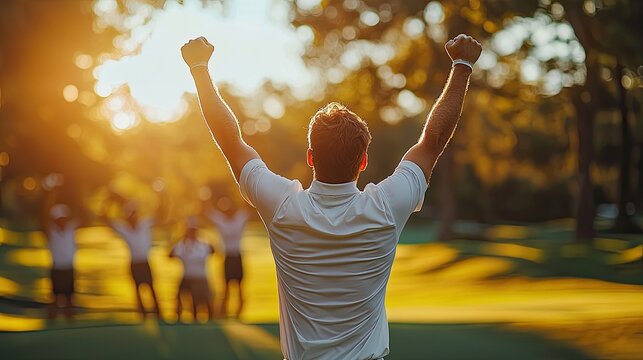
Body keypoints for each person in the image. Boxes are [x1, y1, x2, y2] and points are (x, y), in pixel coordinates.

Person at [181, 33, 481, 359]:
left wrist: (199, 67)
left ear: (311, 157)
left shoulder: (283, 205)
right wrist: (461, 65)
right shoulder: (385, 206)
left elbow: (230, 141)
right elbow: (433, 140)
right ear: (363, 161)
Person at [102, 192, 164, 318]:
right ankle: (142, 314)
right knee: (137, 289)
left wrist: (161, 195)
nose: (134, 217)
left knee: (151, 287)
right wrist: (108, 203)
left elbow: (161, 212)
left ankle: (158, 313)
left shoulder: (145, 224)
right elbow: (105, 219)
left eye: (135, 214)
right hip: (134, 263)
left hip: (145, 262)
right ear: (127, 216)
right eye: (131, 214)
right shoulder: (123, 227)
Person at [206, 199, 248, 318]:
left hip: (235, 256)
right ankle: (224, 313)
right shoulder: (225, 220)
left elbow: (248, 208)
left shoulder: (235, 219)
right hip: (229, 257)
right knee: (227, 288)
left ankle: (238, 314)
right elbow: (208, 211)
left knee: (238, 287)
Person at [170, 216, 216, 321]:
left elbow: (213, 250)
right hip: (188, 277)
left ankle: (210, 322)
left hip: (201, 278)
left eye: (194, 231)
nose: (192, 233)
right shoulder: (182, 244)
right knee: (181, 299)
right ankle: (180, 319)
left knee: (204, 302)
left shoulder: (203, 244)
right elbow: (170, 254)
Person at [44, 203, 80, 320]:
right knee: (55, 296)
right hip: (57, 268)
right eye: (59, 219)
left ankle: (70, 317)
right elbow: (43, 219)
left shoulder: (71, 228)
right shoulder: (51, 231)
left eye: (64, 219)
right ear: (54, 220)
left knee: (70, 296)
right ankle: (53, 318)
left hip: (69, 267)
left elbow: (83, 215)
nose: (62, 221)